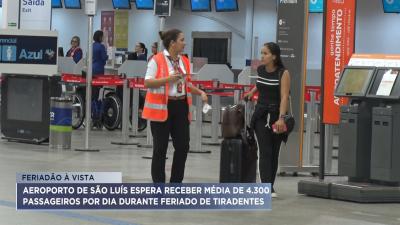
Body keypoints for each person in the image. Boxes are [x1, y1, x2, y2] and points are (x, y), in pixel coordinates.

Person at [142, 28, 208, 183]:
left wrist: (200, 92)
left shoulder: (184, 61)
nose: (184, 43)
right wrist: (167, 79)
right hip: (162, 108)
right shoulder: (156, 60)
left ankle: (176, 183)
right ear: (172, 43)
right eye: (182, 40)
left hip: (181, 107)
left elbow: (186, 84)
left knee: (183, 146)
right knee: (160, 149)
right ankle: (159, 185)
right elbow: (147, 82)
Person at [243, 42, 291, 198]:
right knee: (265, 151)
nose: (262, 56)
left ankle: (270, 185)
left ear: (274, 56)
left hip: (277, 116)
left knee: (274, 152)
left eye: (265, 53)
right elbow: (260, 84)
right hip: (261, 115)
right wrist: (252, 92)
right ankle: (265, 187)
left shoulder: (283, 73)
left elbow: (284, 96)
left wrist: (281, 119)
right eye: (261, 53)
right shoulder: (261, 70)